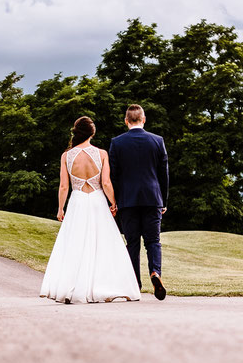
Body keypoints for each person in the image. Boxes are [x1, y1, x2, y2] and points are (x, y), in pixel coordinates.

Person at [40, 116, 141, 304]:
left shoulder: (66, 156)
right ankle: (106, 286)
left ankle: (71, 288)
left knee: (75, 244)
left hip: (77, 201)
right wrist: (113, 202)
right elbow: (106, 182)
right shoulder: (102, 154)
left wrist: (60, 208)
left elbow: (64, 186)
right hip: (97, 201)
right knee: (103, 244)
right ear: (92, 133)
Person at [108, 104, 169, 300]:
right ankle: (155, 273)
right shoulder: (157, 141)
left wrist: (114, 200)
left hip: (128, 200)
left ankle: (135, 284)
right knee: (153, 241)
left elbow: (113, 175)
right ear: (143, 119)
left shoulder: (117, 143)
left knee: (132, 243)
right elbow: (163, 175)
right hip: (152, 198)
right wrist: (163, 200)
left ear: (126, 121)